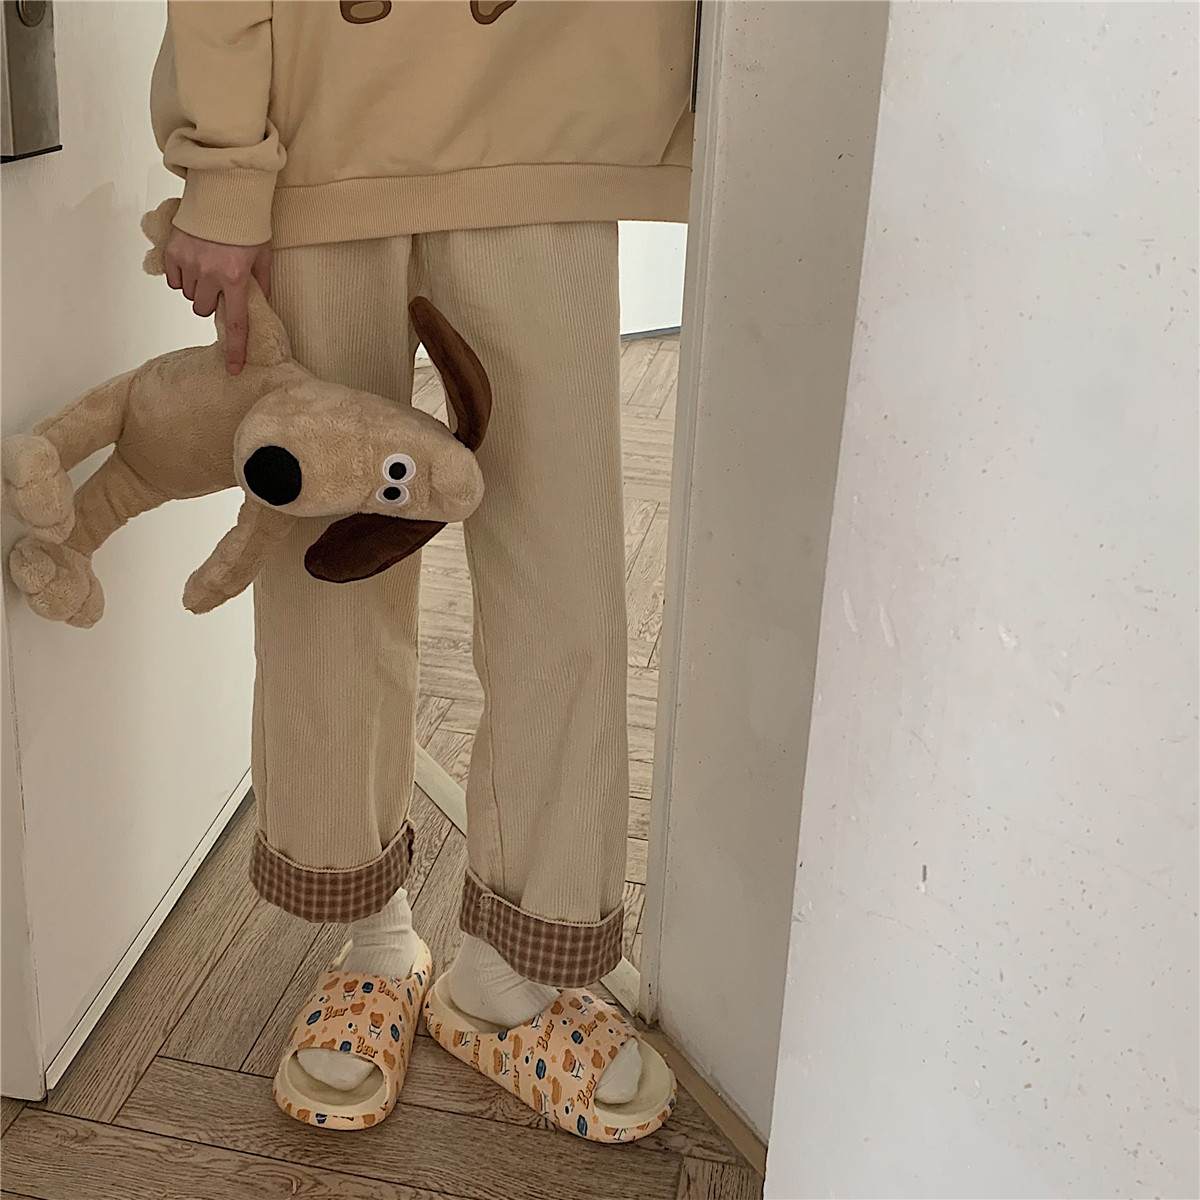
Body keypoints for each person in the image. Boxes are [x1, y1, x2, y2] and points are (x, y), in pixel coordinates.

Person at [151, 0, 694, 1137]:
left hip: (550, 112)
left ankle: (514, 974)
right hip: (320, 126)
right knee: (327, 575)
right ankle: (374, 937)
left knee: (567, 582)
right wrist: (225, 166)